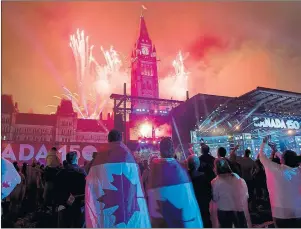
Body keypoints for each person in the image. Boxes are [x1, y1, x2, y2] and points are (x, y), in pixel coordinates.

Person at [85, 129, 151, 228]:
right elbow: (137, 187)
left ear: (108, 139)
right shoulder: (129, 156)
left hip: (107, 208)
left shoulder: (100, 158)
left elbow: (92, 184)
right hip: (128, 207)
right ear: (121, 139)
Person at [147, 137, 203, 228]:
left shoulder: (154, 171)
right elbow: (188, 201)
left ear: (160, 150)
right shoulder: (181, 169)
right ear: (173, 150)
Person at [259, 137, 301, 228]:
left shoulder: (276, 169)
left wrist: (264, 143)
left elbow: (262, 156)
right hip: (298, 212)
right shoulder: (299, 171)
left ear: (283, 160)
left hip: (280, 213)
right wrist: (276, 151)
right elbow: (287, 159)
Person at [211, 158, 252, 228]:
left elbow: (215, 198)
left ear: (216, 168)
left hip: (224, 211)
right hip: (239, 210)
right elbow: (246, 195)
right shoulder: (239, 179)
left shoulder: (215, 182)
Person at [56, 151, 86, 228]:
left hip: (63, 204)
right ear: (76, 160)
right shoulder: (82, 172)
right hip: (78, 205)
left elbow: (56, 190)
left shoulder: (60, 173)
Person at [187, 154, 212, 228]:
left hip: (191, 207)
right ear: (198, 164)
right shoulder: (204, 177)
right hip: (204, 207)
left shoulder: (185, 177)